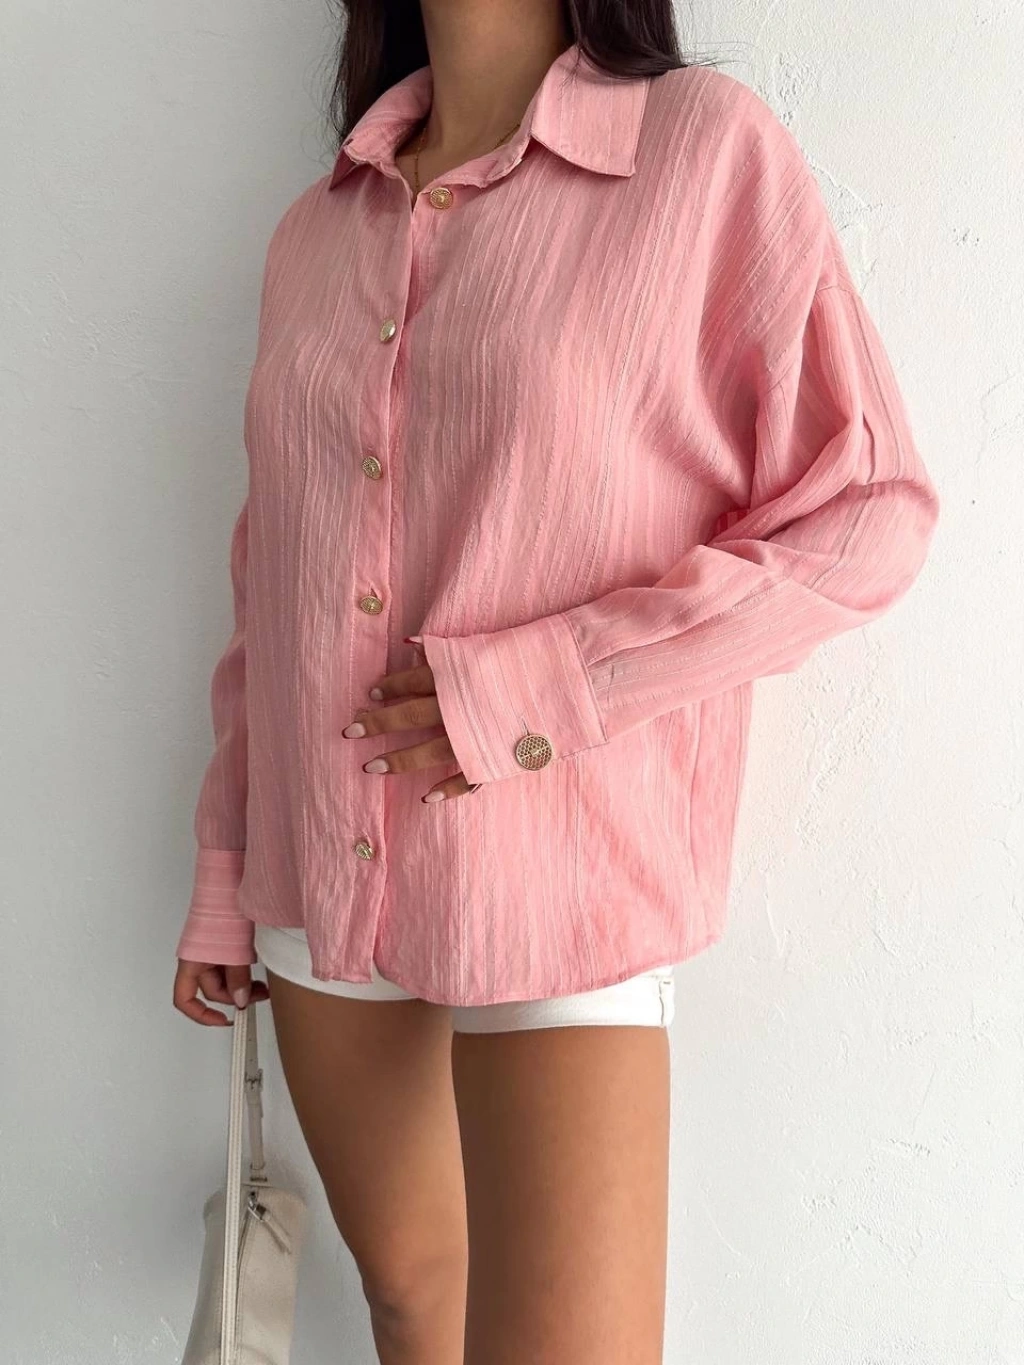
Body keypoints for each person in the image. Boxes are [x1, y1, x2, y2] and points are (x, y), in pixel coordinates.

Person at [172, 4, 940, 1362]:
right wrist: (228, 869)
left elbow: (867, 510)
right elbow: (273, 580)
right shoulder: (318, 227)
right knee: (410, 1302)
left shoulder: (701, 152)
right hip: (320, 874)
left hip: (562, 871)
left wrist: (539, 691)